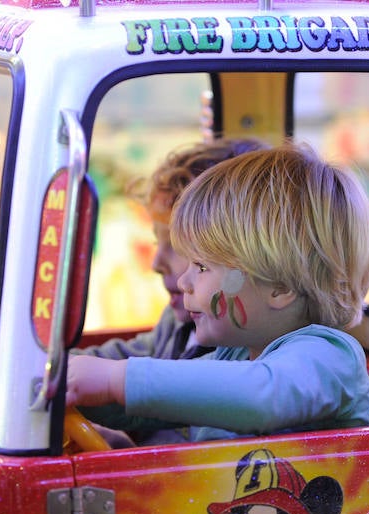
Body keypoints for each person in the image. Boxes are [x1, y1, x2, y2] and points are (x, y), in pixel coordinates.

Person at [66, 143, 369, 443]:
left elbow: (262, 395)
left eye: (202, 267)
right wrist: (79, 393)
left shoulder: (329, 357)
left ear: (280, 287)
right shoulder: (234, 354)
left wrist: (114, 379)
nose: (184, 282)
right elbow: (153, 410)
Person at [73, 137, 268, 445]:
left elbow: (183, 393)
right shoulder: (179, 321)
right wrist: (51, 364)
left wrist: (109, 383)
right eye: (157, 242)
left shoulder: (246, 352)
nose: (156, 262)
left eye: (178, 247)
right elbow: (131, 357)